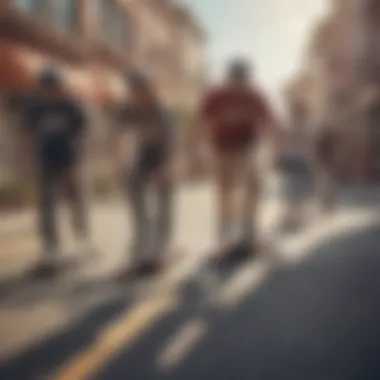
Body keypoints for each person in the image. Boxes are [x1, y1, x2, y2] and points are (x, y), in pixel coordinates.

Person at [189, 59, 277, 263]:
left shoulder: (255, 95)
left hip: (248, 147)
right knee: (224, 194)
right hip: (222, 149)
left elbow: (269, 121)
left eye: (243, 80)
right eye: (236, 79)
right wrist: (194, 150)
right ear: (229, 78)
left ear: (247, 79)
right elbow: (198, 121)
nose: (239, 85)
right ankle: (224, 239)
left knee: (253, 187)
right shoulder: (216, 95)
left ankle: (248, 235)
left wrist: (273, 151)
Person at [21, 68, 90, 277]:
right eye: (47, 88)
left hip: (69, 162)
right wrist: (27, 164)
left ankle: (82, 240)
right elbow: (28, 137)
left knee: (76, 202)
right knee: (46, 207)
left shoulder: (71, 107)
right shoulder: (36, 108)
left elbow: (83, 136)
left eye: (54, 87)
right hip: (46, 162)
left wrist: (78, 164)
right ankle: (51, 249)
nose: (51, 92)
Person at [114, 71, 176, 278]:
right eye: (134, 92)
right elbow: (120, 140)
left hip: (161, 159)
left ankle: (161, 249)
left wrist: (166, 167)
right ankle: (142, 250)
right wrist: (119, 168)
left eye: (142, 91)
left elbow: (170, 142)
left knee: (163, 205)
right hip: (138, 161)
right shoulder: (125, 111)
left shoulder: (161, 110)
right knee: (138, 209)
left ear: (150, 91)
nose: (138, 96)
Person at [278, 103, 315, 232]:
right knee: (295, 188)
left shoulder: (293, 126)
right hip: (298, 159)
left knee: (294, 188)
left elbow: (284, 142)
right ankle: (296, 217)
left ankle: (296, 217)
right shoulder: (304, 126)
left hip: (296, 159)